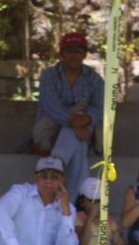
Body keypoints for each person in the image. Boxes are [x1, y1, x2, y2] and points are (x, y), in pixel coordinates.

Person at [33, 31, 104, 197]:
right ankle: (75, 205)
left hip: (87, 132)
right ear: (61, 54)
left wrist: (85, 118)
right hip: (49, 132)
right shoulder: (49, 76)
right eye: (69, 50)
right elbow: (49, 105)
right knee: (78, 142)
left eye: (78, 51)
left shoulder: (94, 79)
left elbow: (102, 108)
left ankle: (54, 167)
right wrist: (74, 121)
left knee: (76, 135)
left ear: (84, 54)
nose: (74, 55)